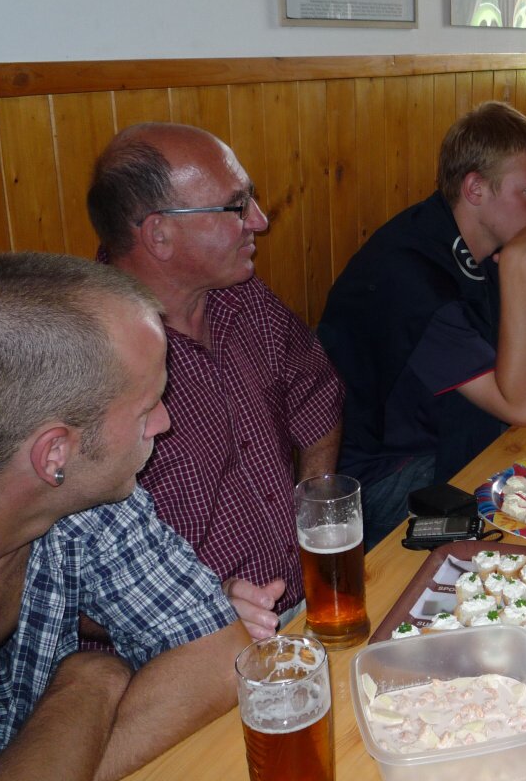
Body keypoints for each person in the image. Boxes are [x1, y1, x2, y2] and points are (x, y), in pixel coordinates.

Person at [0, 253, 250, 781]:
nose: (166, 423)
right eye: (147, 408)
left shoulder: (85, 501)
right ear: (54, 453)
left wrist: (57, 769)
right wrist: (90, 682)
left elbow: (219, 657)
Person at [87, 123, 345, 631]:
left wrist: (314, 520)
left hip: (301, 605)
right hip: (178, 644)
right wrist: (200, 605)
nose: (260, 221)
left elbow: (317, 394)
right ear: (159, 234)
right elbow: (51, 590)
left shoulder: (242, 295)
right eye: (236, 206)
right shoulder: (85, 358)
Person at [319, 102, 526, 547]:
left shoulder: (489, 240)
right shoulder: (410, 273)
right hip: (387, 480)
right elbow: (525, 408)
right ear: (475, 188)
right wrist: (518, 268)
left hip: (456, 439)